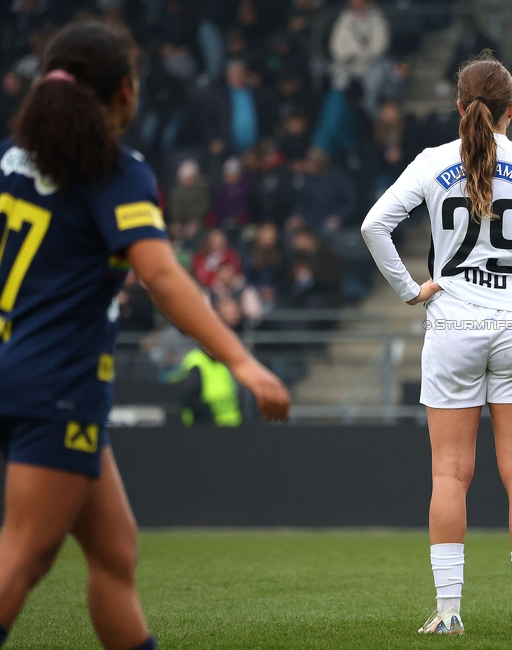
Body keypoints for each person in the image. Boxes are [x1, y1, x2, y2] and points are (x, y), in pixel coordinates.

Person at [0, 21, 290, 650]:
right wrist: (241, 360)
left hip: (17, 369)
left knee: (115, 552)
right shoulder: (113, 169)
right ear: (124, 93)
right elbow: (159, 274)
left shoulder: (9, 158)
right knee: (23, 558)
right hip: (57, 386)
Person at [361, 53, 512, 636]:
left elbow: (374, 225)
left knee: (449, 473)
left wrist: (410, 290)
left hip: (451, 324)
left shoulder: (431, 161)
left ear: (458, 109)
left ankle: (448, 614)